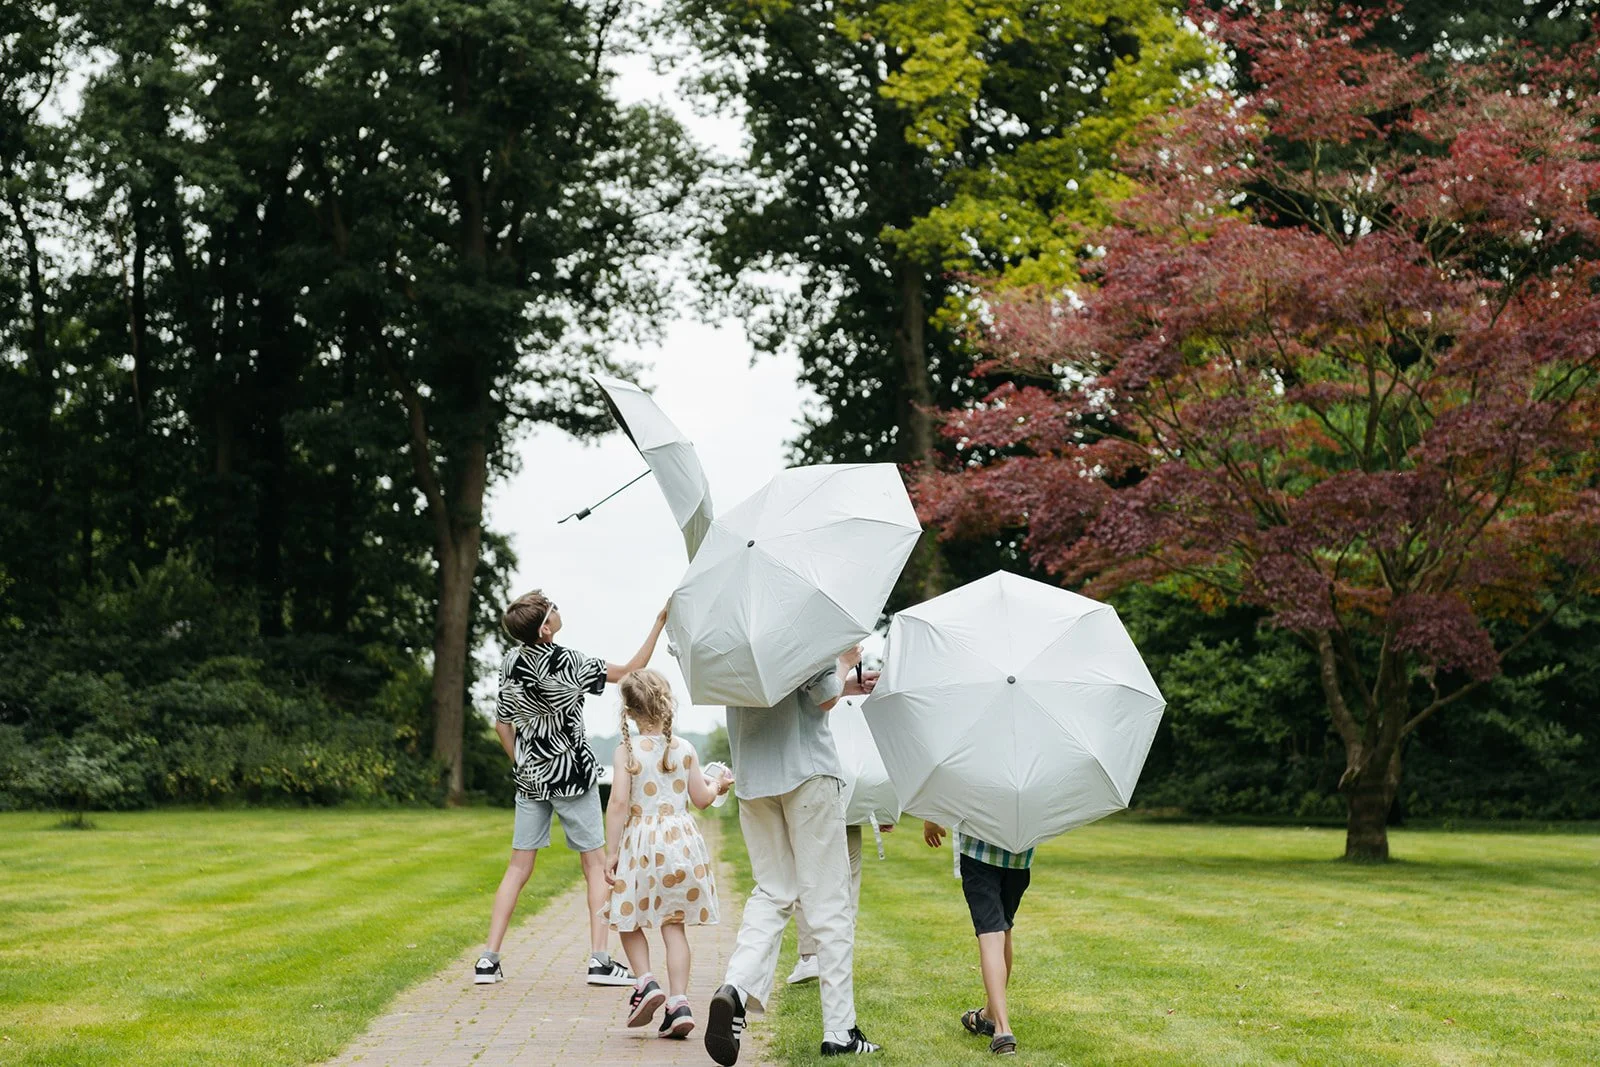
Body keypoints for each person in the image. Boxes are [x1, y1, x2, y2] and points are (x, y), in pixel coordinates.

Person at [472, 590, 668, 988]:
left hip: (531, 780)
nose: (558, 609)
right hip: (573, 777)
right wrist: (660, 621)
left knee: (517, 867)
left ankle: (488, 960)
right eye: (552, 609)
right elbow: (633, 669)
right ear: (545, 629)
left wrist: (523, 763)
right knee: (595, 865)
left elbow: (502, 725)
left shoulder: (511, 662)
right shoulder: (571, 662)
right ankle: (600, 961)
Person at [703, 646, 882, 1065]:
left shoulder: (731, 636)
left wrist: (845, 681)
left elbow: (803, 691)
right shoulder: (801, 625)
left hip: (754, 773)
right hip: (807, 773)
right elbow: (823, 697)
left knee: (772, 891)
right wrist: (843, 659)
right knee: (829, 903)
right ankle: (840, 1030)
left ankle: (734, 987)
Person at [601, 669, 732, 1038]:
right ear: (666, 703)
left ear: (628, 711)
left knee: (627, 918)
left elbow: (620, 802)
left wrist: (612, 852)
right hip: (681, 844)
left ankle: (645, 982)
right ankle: (679, 1003)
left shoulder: (626, 751)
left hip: (642, 843)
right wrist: (719, 784)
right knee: (673, 926)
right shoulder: (685, 749)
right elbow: (702, 800)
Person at [921, 820, 1032, 1056]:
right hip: (1019, 855)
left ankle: (1002, 1030)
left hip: (979, 852)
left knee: (991, 933)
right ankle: (989, 1017)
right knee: (1003, 929)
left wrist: (931, 822)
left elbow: (952, 786)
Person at [786, 821, 892, 985]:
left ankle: (810, 957)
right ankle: (839, 957)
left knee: (807, 876)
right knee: (847, 882)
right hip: (850, 813)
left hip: (812, 810)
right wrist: (881, 814)